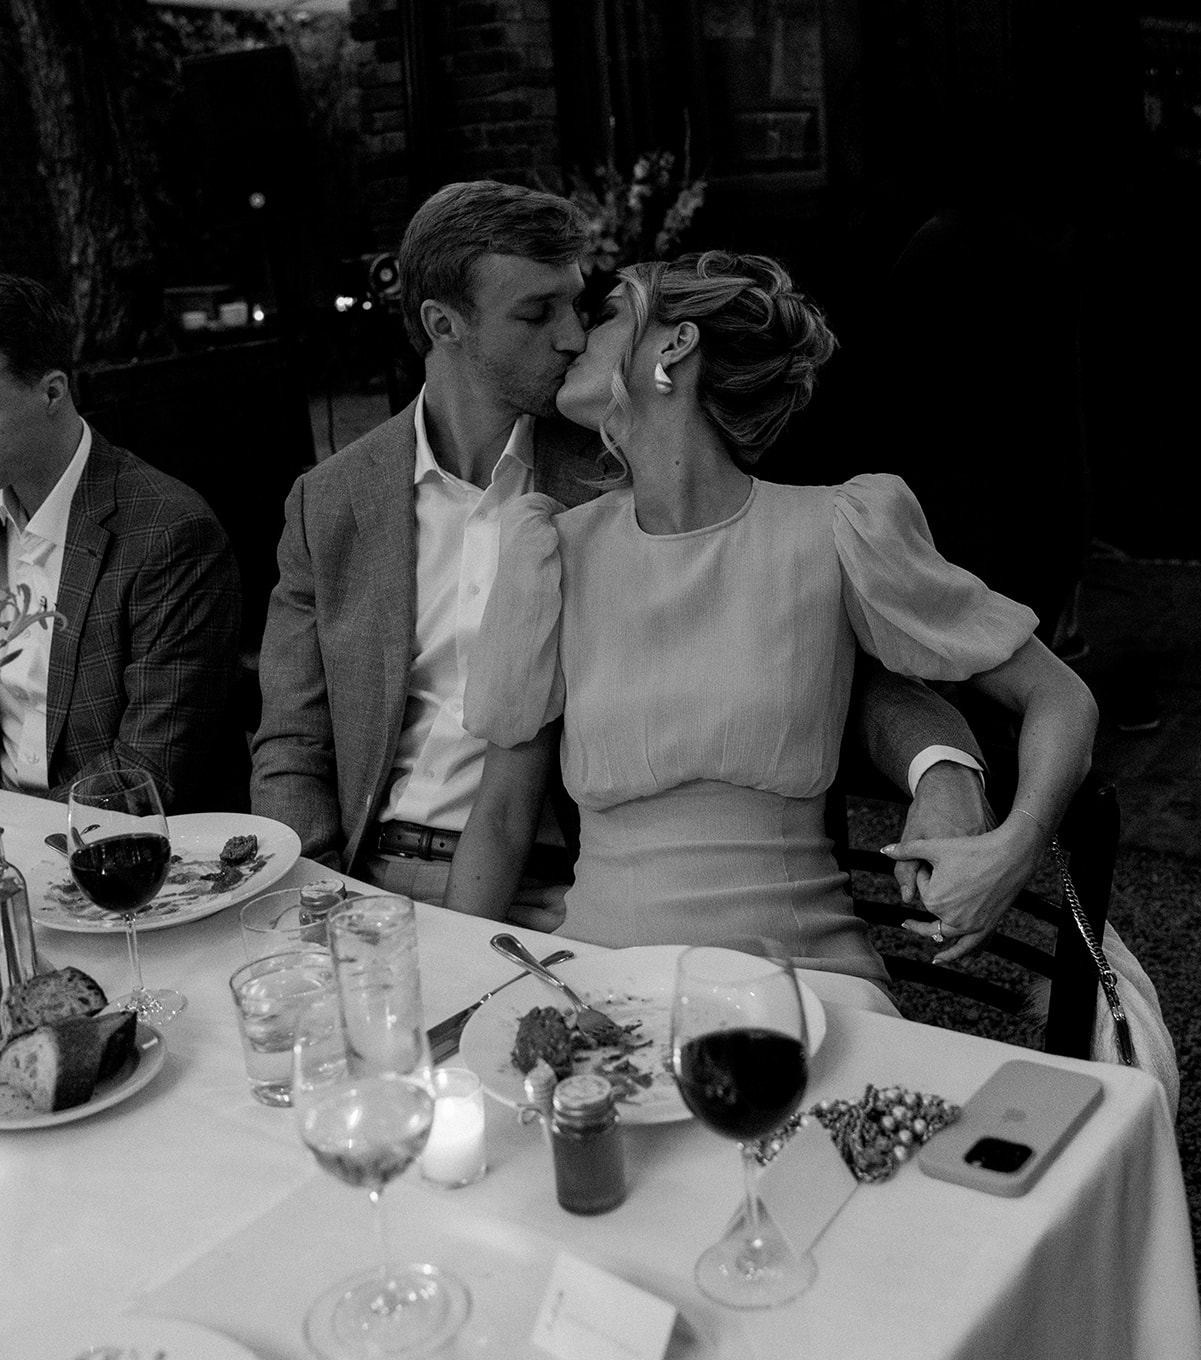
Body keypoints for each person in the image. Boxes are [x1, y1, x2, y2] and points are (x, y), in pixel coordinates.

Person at [251, 182, 994, 930]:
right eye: (536, 314)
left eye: (579, 304)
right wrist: (315, 900)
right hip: (364, 881)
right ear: (444, 325)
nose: (572, 336)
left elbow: (817, 637)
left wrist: (942, 764)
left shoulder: (631, 466)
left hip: (565, 887)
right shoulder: (332, 501)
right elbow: (291, 738)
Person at [445, 251, 1099, 975]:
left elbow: (1057, 695)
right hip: (603, 976)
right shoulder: (552, 553)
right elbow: (501, 817)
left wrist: (1014, 847)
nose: (570, 339)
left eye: (602, 316)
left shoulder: (838, 530)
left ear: (674, 342)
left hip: (802, 970)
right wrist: (448, 980)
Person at [0, 275, 243, 811]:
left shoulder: (171, 533)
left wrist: (14, 838)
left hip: (129, 860)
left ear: (53, 391)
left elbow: (146, 771)